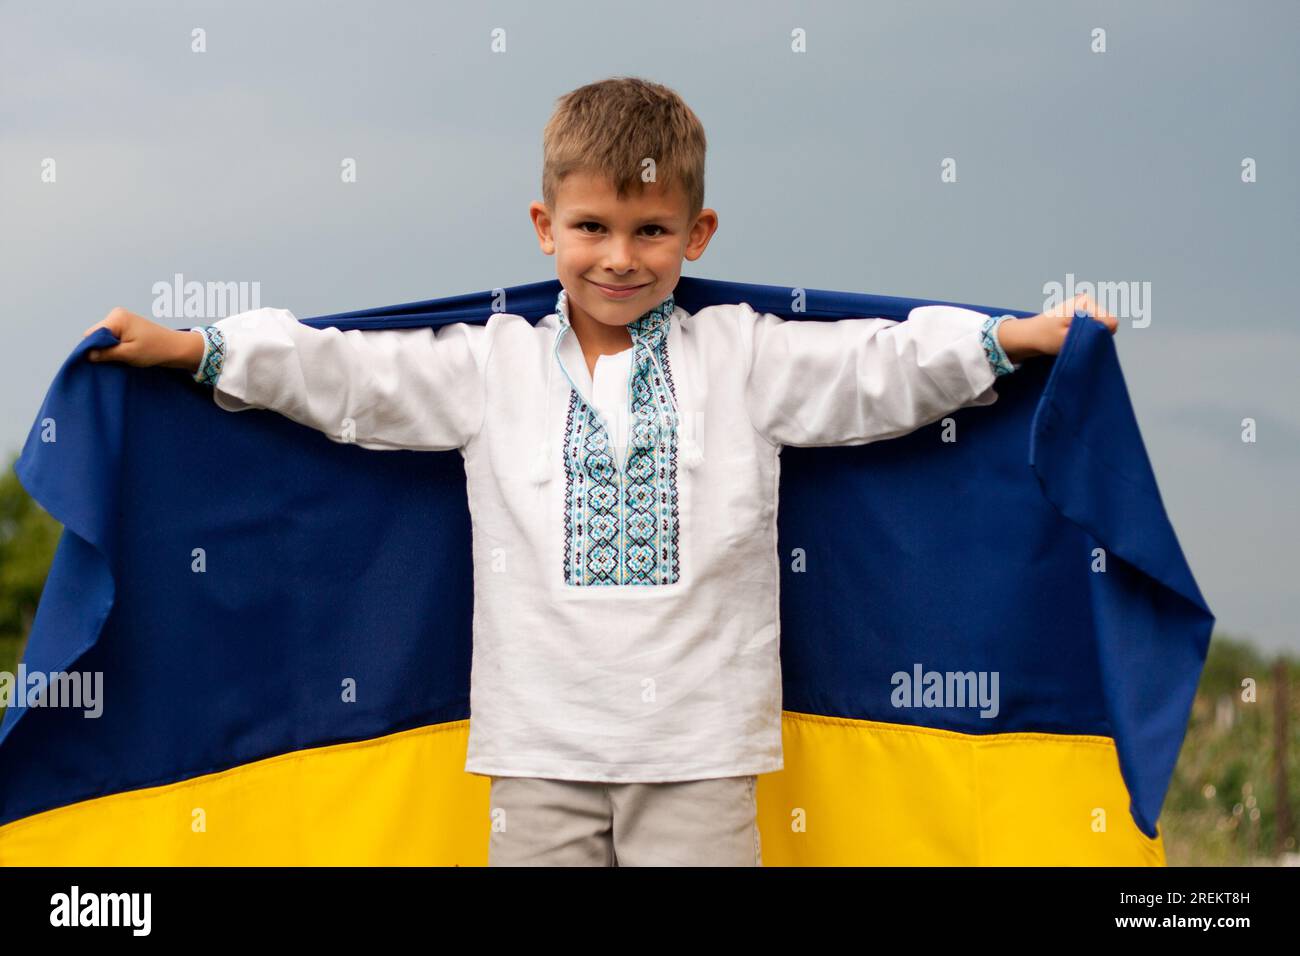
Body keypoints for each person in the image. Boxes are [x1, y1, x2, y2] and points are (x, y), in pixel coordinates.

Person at [80, 76, 1117, 866]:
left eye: (650, 229)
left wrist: (1014, 337)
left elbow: (873, 368)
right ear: (545, 229)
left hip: (702, 753)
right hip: (538, 752)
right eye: (591, 227)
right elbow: (349, 374)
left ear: (695, 232)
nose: (618, 255)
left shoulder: (744, 353)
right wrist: (191, 349)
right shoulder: (492, 366)